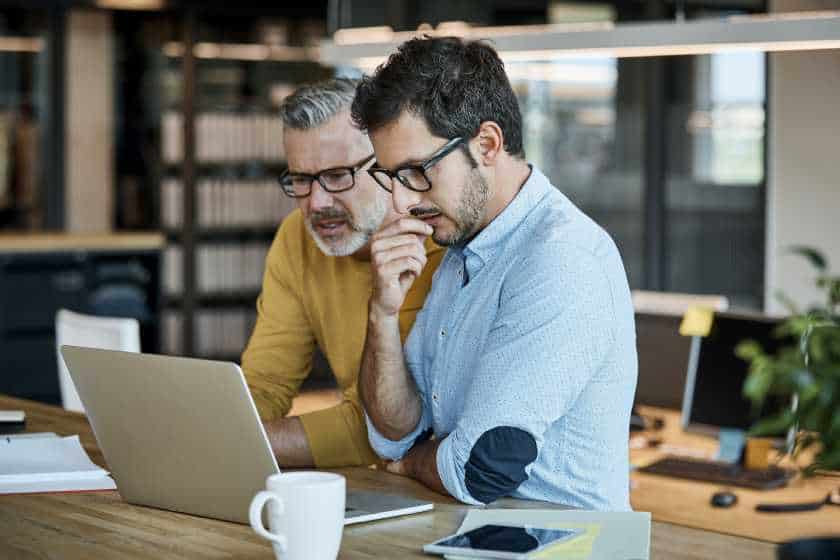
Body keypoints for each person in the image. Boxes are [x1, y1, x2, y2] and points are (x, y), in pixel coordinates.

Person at [352, 37, 637, 510]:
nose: (401, 203)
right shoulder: (460, 252)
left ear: (487, 144)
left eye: (417, 172)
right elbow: (394, 434)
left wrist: (414, 464)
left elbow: (481, 469)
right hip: (475, 535)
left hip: (565, 545)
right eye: (391, 178)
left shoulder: (561, 259)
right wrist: (381, 313)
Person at [241, 78, 443, 468]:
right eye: (301, 179)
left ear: (387, 164)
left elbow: (384, 427)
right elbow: (265, 384)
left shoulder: (436, 246)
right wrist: (207, 429)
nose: (317, 203)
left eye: (338, 176)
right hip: (379, 486)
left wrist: (235, 443)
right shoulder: (296, 238)